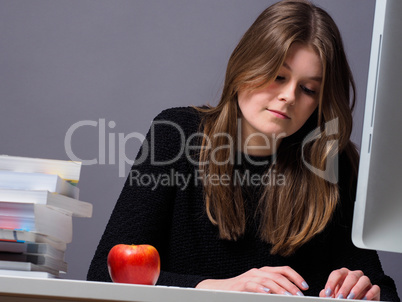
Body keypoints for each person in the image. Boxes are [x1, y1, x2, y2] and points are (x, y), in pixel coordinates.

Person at [87, 1, 400, 301]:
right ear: (245, 67)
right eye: (278, 76)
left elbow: (383, 290)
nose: (288, 96)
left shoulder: (332, 162)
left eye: (308, 89)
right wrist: (216, 288)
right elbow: (104, 274)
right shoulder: (176, 134)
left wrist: (366, 290)